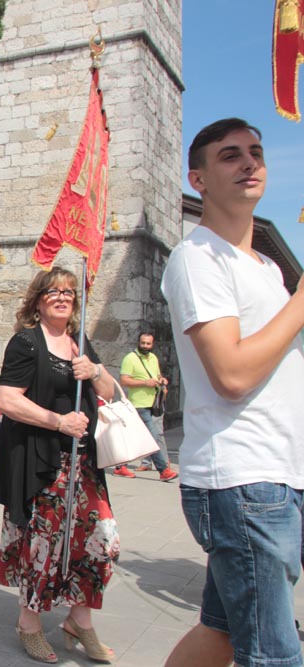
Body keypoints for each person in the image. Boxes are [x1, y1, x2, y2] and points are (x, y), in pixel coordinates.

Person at [161, 119, 304, 667]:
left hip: (279, 470)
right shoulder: (198, 257)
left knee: (218, 635)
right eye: (230, 155)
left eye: (257, 152)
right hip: (245, 478)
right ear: (197, 179)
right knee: (273, 654)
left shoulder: (267, 268)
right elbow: (232, 374)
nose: (249, 163)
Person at [0, 267, 117, 664]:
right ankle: (29, 623)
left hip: (84, 464)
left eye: (68, 292)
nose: (62, 297)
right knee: (41, 544)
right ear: (38, 300)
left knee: (100, 540)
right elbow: (7, 399)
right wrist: (59, 422)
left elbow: (110, 392)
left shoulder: (80, 341)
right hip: (42, 462)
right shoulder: (27, 342)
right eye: (53, 291)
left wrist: (94, 371)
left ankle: (79, 620)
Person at [118, 332, 178, 482]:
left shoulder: (153, 358)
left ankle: (120, 466)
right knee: (152, 438)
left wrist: (161, 380)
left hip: (154, 404)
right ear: (138, 343)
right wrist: (145, 383)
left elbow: (157, 376)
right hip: (139, 404)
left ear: (152, 344)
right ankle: (163, 470)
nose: (145, 346)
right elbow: (124, 380)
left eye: (148, 343)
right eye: (143, 343)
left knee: (133, 437)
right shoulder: (130, 359)